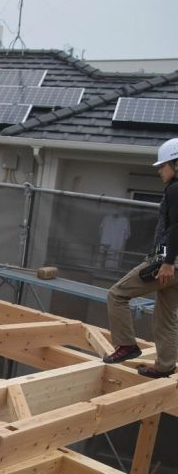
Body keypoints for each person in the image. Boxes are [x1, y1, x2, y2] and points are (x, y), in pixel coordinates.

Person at [102, 138, 178, 378]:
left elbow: (177, 227)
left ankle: (126, 346)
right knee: (165, 316)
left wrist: (166, 262)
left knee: (117, 294)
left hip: (169, 258)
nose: (159, 170)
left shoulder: (176, 188)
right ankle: (165, 365)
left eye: (163, 165)